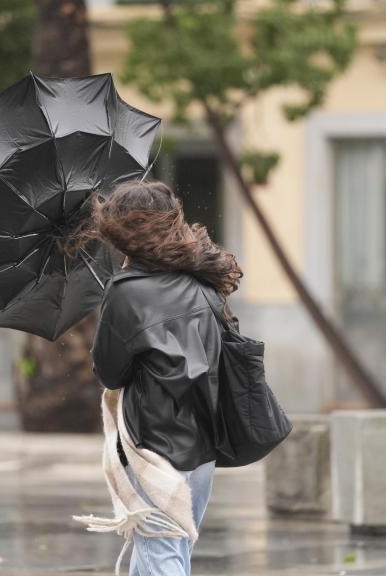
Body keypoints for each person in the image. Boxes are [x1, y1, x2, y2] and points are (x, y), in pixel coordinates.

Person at [74, 181, 242, 576]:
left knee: (161, 553)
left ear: (120, 233)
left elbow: (109, 372)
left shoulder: (125, 292)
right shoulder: (202, 280)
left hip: (154, 444)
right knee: (166, 549)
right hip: (203, 443)